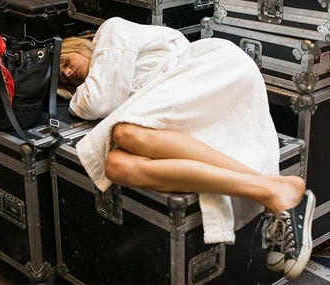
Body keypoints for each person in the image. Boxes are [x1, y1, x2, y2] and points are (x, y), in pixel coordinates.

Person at [59, 17, 315, 281]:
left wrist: (68, 95)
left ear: (80, 46)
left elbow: (94, 103)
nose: (68, 73)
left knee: (125, 132)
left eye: (66, 62)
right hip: (185, 101)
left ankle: (276, 192)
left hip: (209, 69)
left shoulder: (109, 32)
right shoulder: (105, 75)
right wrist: (69, 90)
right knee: (115, 165)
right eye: (64, 80)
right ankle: (272, 189)